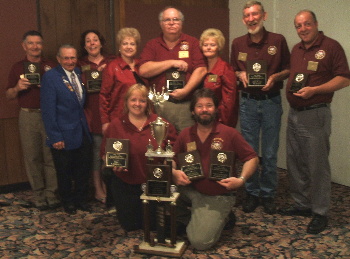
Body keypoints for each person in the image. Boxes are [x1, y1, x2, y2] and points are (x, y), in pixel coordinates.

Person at [279, 10, 350, 234]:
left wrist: (316, 90)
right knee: (296, 161)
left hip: (315, 113)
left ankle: (320, 212)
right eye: (298, 26)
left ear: (316, 24)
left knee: (317, 164)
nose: (303, 29)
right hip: (295, 113)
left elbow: (344, 78)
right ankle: (302, 204)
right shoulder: (296, 48)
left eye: (307, 24)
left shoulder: (331, 46)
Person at [172, 88, 259, 250]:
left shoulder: (230, 134)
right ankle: (202, 217)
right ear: (192, 111)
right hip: (191, 189)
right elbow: (172, 159)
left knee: (199, 242)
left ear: (216, 109)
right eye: (199, 106)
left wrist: (241, 180)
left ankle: (219, 217)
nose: (204, 109)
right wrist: (173, 172)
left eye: (209, 105)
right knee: (159, 190)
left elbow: (252, 158)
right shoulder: (185, 134)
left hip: (218, 195)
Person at [230, 1, 290, 214]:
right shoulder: (237, 43)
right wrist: (240, 74)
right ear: (243, 19)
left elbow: (289, 69)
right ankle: (252, 192)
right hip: (247, 102)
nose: (251, 18)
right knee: (250, 151)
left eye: (255, 14)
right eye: (247, 15)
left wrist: (274, 77)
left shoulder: (278, 40)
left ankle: (268, 193)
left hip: (271, 101)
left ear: (264, 16)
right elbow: (233, 69)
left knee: (271, 152)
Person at [100, 84, 177, 231]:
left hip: (154, 183)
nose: (137, 104)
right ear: (126, 102)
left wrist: (172, 165)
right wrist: (111, 163)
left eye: (142, 100)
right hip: (125, 183)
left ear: (147, 103)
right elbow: (104, 153)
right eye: (133, 100)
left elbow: (174, 147)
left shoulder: (160, 123)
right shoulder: (116, 125)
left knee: (155, 225)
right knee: (131, 225)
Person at [6, 30, 59, 210]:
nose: (35, 47)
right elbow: (8, 95)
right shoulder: (17, 67)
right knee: (33, 157)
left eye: (38, 43)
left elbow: (62, 90)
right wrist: (17, 87)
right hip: (28, 115)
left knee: (50, 156)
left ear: (42, 46)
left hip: (49, 115)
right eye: (31, 43)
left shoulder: (50, 66)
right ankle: (38, 195)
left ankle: (51, 194)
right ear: (24, 46)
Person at [41, 45, 92, 215]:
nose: (70, 61)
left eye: (72, 58)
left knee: (82, 169)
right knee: (64, 171)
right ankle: (68, 201)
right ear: (58, 59)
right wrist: (55, 137)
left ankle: (81, 199)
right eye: (66, 58)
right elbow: (48, 110)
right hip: (62, 133)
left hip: (81, 130)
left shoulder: (78, 73)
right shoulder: (51, 77)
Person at [139, 6, 207, 132]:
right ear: (160, 24)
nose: (171, 23)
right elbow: (143, 70)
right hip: (160, 106)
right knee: (161, 143)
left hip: (187, 105)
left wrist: (186, 90)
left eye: (175, 19)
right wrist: (171, 62)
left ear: (181, 22)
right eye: (167, 20)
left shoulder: (192, 42)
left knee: (187, 145)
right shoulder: (152, 45)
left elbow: (201, 69)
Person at [78, 30, 116, 204]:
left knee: (111, 153)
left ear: (101, 43)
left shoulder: (112, 61)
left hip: (111, 113)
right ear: (84, 45)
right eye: (88, 41)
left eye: (95, 40)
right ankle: (98, 188)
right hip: (91, 115)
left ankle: (110, 186)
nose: (92, 43)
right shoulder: (79, 64)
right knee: (95, 154)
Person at [99, 27, 144, 135]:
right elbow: (104, 96)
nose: (129, 47)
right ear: (119, 46)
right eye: (125, 43)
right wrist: (105, 122)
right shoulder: (112, 66)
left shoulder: (142, 66)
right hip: (119, 118)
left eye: (132, 44)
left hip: (141, 118)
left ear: (137, 47)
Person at [200, 28, 238, 127]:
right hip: (202, 119)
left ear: (219, 47)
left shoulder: (225, 68)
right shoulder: (199, 67)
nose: (208, 48)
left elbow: (229, 100)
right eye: (205, 45)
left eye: (212, 45)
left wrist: (222, 121)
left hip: (220, 119)